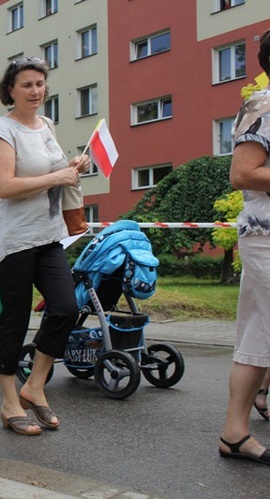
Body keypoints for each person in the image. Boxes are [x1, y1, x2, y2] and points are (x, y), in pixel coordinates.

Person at [0, 56, 90, 435]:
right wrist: (54, 177)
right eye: (27, 84)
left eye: (40, 84)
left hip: (48, 234)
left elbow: (55, 169)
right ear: (10, 90)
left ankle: (34, 386)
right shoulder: (3, 130)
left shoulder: (46, 124)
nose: (35, 91)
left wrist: (73, 166)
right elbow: (4, 186)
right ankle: (8, 400)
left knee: (65, 307)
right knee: (15, 316)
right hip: (15, 238)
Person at [219, 29, 270, 465]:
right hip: (266, 238)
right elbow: (243, 173)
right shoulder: (264, 105)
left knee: (257, 338)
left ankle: (234, 434)